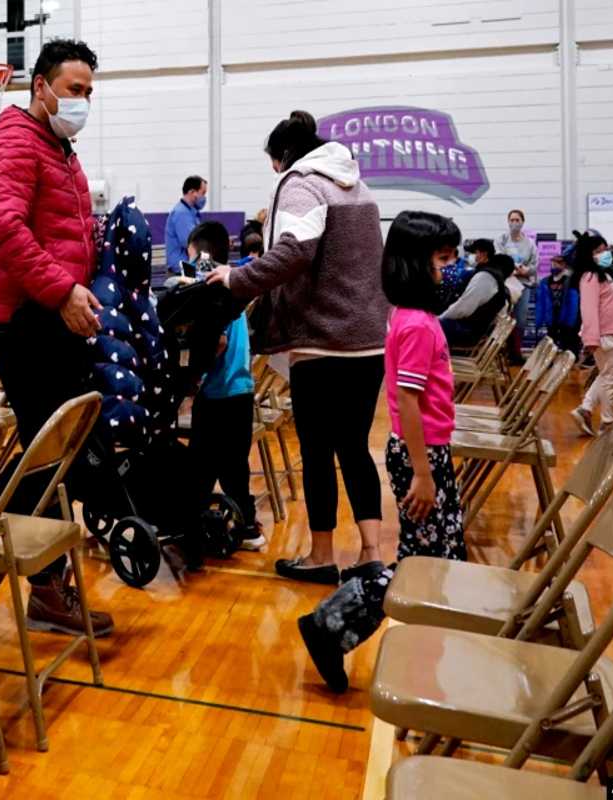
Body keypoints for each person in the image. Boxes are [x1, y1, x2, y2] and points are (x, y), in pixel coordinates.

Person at [206, 110, 388, 585]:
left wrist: (237, 278)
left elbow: (294, 251)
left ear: (284, 157)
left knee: (318, 450)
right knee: (355, 448)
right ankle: (371, 553)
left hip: (323, 341)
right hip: (368, 341)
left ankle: (321, 555)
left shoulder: (303, 182)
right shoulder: (358, 187)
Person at [0, 37, 113, 637]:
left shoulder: (61, 149)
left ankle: (20, 577)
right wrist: (61, 290)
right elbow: (2, 227)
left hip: (56, 319)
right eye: (72, 89)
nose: (81, 100)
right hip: (29, 322)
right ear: (40, 87)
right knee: (43, 455)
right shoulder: (15, 139)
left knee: (50, 454)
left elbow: (68, 231)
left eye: (88, 91)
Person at [297, 210, 467, 693]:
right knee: (422, 565)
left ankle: (426, 650)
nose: (448, 269)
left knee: (440, 555)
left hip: (425, 454)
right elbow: (409, 401)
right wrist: (423, 473)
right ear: (416, 264)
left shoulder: (414, 318)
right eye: (441, 259)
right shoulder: (416, 325)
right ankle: (330, 626)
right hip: (422, 456)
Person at [187, 222, 263, 550]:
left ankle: (193, 520)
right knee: (235, 465)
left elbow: (216, 343)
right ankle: (248, 527)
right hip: (242, 391)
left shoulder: (214, 295)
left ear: (202, 258)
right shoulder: (233, 288)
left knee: (201, 464)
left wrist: (193, 375)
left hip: (218, 392)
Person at [570, 231, 613, 436]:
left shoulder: (602, 275)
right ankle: (608, 423)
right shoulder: (590, 277)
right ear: (589, 254)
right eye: (598, 250)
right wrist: (592, 339)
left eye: (605, 249)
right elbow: (588, 310)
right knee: (612, 378)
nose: (604, 253)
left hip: (609, 332)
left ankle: (585, 409)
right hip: (603, 335)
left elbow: (611, 305)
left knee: (606, 375)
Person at [439, 250, 511, 349]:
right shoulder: (501, 286)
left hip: (467, 332)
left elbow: (463, 308)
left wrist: (439, 319)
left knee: (427, 327)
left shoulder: (486, 277)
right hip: (476, 332)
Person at [498, 209, 539, 365]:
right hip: (506, 284)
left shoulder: (530, 244)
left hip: (523, 284)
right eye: (512, 220)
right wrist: (512, 268)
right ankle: (502, 352)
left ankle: (516, 352)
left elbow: (535, 265)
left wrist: (526, 270)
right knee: (504, 319)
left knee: (520, 320)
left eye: (517, 220)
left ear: (522, 222)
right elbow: (499, 257)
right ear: (508, 221)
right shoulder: (501, 239)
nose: (514, 223)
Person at [535, 255, 581, 357]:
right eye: (553, 263)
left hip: (566, 318)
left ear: (565, 265)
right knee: (551, 342)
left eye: (558, 263)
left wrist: (571, 320)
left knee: (568, 344)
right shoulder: (545, 282)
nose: (555, 265)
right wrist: (538, 320)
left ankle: (571, 361)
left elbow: (573, 302)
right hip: (551, 317)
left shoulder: (570, 281)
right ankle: (550, 362)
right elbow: (541, 303)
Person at [166, 176, 207, 274]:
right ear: (192, 192)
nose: (204, 198)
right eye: (203, 193)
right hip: (181, 269)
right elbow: (190, 243)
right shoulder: (182, 213)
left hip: (188, 265)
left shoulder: (191, 212)